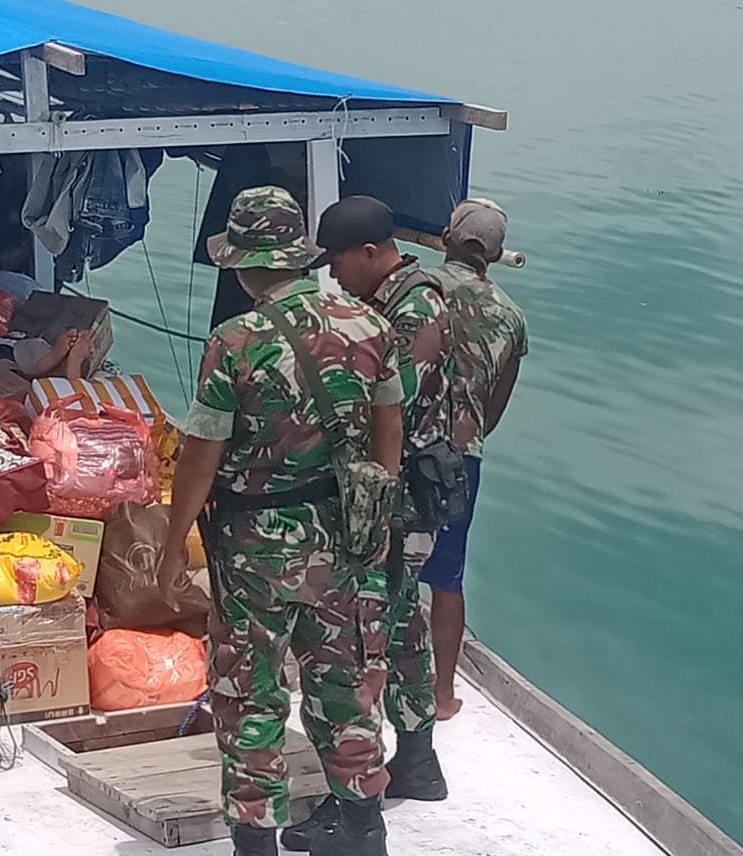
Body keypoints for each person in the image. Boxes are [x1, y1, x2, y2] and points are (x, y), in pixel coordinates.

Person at [157, 187, 403, 856]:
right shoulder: (370, 326)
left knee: (252, 692)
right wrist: (375, 512)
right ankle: (362, 828)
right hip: (345, 539)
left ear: (242, 263)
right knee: (346, 679)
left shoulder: (235, 341)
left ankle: (256, 840)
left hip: (254, 545)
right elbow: (389, 426)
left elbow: (202, 453)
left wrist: (174, 542)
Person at [280, 195, 452, 852]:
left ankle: (357, 800)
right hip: (400, 497)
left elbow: (383, 404)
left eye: (341, 263)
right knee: (404, 630)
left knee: (360, 647)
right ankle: (415, 762)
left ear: (374, 253)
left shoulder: (411, 312)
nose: (336, 276)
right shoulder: (400, 301)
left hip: (397, 500)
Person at [422, 198, 527, 721]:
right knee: (448, 576)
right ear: (497, 254)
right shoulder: (511, 317)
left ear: (446, 237)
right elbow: (495, 408)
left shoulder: (415, 288)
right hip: (462, 456)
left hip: (404, 444)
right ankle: (442, 694)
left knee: (379, 564)